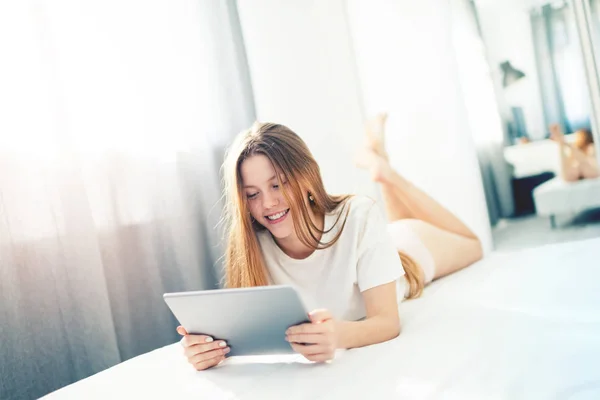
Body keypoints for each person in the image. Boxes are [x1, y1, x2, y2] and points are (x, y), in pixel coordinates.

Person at [177, 114, 483, 371]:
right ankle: (380, 165)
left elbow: (388, 322)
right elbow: (239, 330)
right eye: (253, 194)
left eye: (278, 184)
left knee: (473, 245)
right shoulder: (249, 245)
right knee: (391, 225)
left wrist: (339, 335)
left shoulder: (358, 215)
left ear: (306, 176)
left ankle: (386, 173)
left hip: (407, 252)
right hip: (376, 246)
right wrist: (205, 348)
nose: (268, 203)